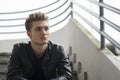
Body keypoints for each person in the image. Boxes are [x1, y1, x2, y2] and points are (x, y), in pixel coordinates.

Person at [6, 12, 72, 80]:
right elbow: (12, 75)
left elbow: (67, 76)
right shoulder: (19, 49)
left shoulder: (58, 50)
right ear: (29, 34)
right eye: (38, 29)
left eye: (46, 28)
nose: (44, 33)